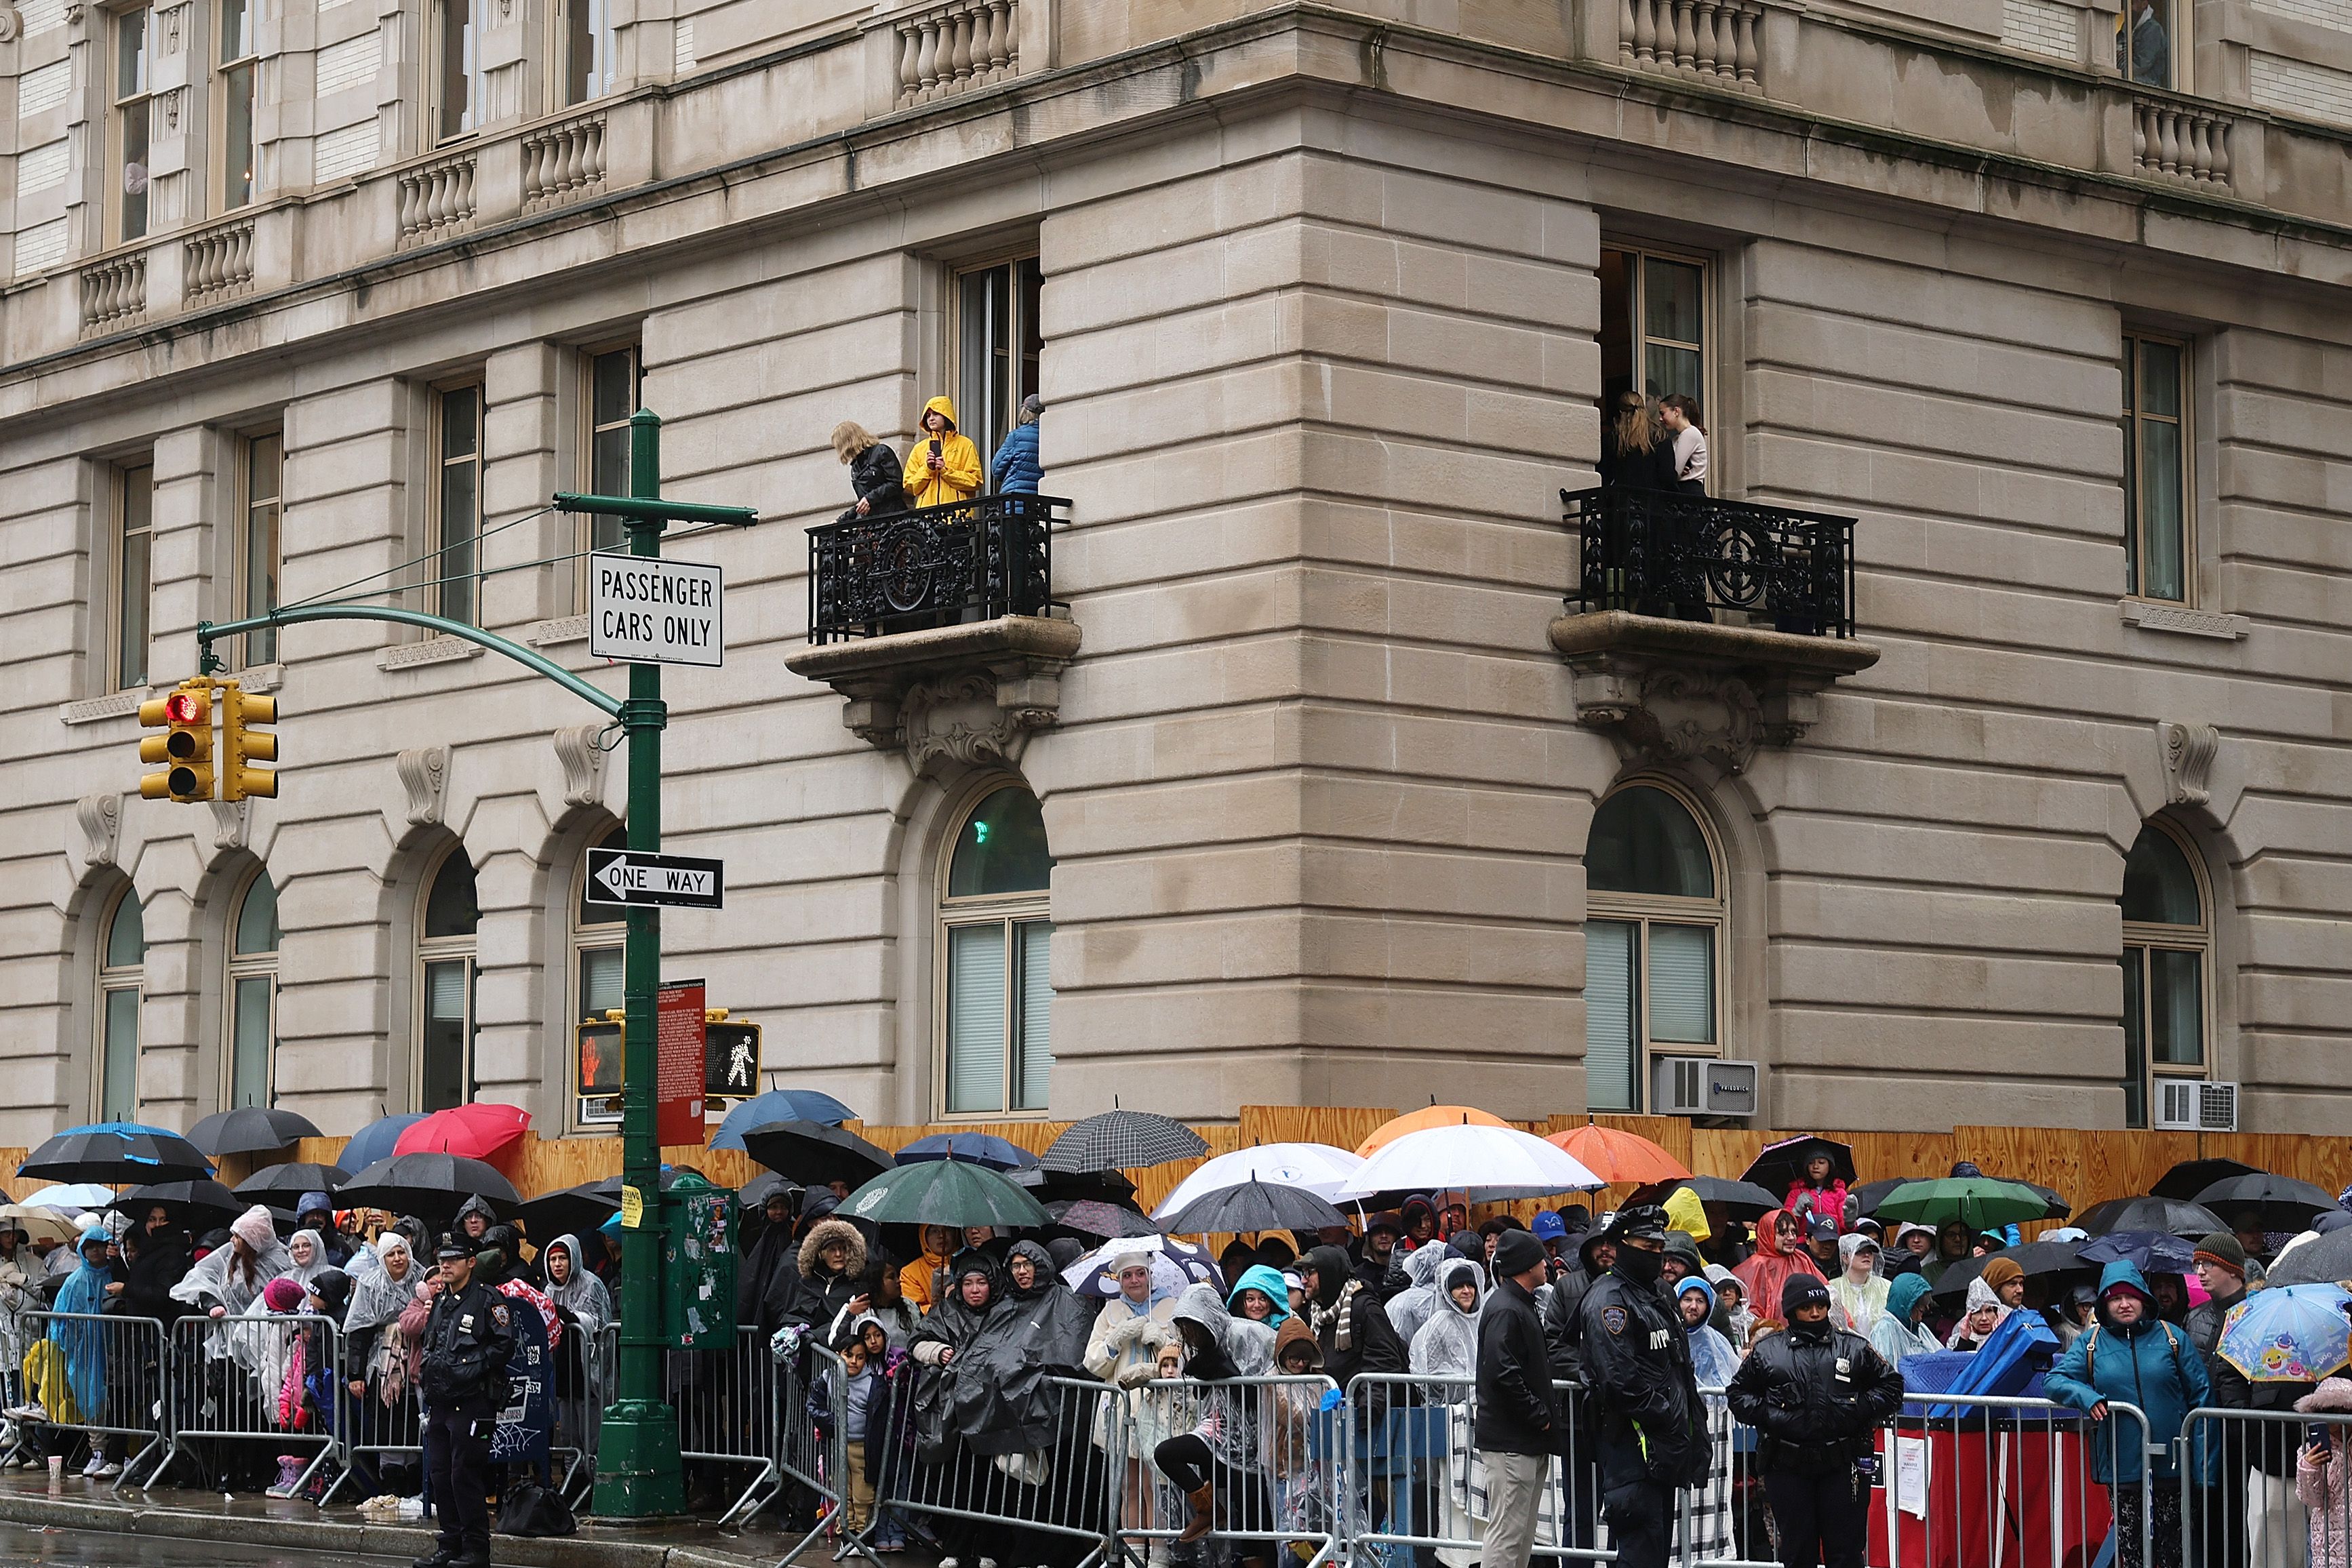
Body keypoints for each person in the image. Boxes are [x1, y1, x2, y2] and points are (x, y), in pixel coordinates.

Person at [2044, 1260, 2214, 1568]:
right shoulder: (2091, 1343)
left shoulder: (2172, 1337)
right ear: (2104, 1304)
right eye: (2114, 1298)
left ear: (2143, 1298)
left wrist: (2204, 1468)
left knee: (2174, 1554)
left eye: (2131, 1296)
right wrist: (2086, 1396)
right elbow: (2054, 1380)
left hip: (2175, 1467)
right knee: (2134, 1555)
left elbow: (2201, 1398)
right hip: (2122, 1468)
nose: (2124, 1304)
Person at [1728, 1273, 1905, 1568]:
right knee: (1798, 1552)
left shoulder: (1854, 1347)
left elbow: (1892, 1386)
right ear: (1791, 1310)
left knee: (1846, 1552)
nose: (1814, 1313)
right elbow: (1737, 1393)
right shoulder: (1768, 1351)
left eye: (1821, 1307)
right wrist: (1770, 1415)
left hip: (1842, 1463)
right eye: (1806, 1308)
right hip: (1787, 1464)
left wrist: (1858, 1407)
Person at [1580, 1206, 1707, 1568]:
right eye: (1645, 1246)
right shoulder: (1609, 1299)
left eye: (1658, 1247)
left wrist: (1688, 1430)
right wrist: (1667, 1417)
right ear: (1622, 1246)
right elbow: (1619, 1380)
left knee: (1656, 1553)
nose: (1654, 1254)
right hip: (1632, 1448)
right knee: (1639, 1555)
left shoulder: (1660, 1294)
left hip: (1663, 1451)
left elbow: (1678, 1368)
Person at [1154, 1281, 1276, 1550]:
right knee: (1166, 1453)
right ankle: (1208, 1509)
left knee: (1256, 1529)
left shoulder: (1248, 1334)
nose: (1191, 1334)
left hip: (1254, 1444)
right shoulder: (1202, 1346)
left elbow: (1259, 1397)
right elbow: (1205, 1397)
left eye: (1194, 1326)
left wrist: (1225, 1370)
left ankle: (1213, 1514)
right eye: (1186, 1328)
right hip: (1217, 1434)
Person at [414, 1241, 513, 1568]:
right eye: (443, 1259)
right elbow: (433, 1343)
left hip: (473, 1400)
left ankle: (476, 1549)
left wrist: (471, 1366)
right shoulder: (441, 1300)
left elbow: (503, 1345)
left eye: (454, 1259)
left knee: (464, 1474)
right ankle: (450, 1544)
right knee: (440, 1474)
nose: (446, 1265)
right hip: (442, 1399)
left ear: (471, 1262)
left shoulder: (487, 1298)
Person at [1468, 1230, 1555, 1568]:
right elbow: (1503, 1373)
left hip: (1522, 1441)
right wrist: (1539, 1414)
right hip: (1511, 1442)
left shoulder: (1517, 1304)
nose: (1546, 1263)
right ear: (1524, 1265)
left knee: (1519, 1536)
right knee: (1507, 1535)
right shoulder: (1507, 1308)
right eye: (1540, 1257)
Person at [541, 1234, 611, 1459]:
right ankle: (573, 1480)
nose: (558, 1264)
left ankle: (594, 1480)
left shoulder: (592, 1284)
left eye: (563, 1258)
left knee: (591, 1433)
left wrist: (569, 1316)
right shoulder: (549, 1290)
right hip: (563, 1371)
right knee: (569, 1435)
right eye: (553, 1260)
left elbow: (598, 1322)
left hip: (586, 1370)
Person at [778, 1215, 868, 1344]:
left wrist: (816, 1335)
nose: (838, 1254)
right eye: (832, 1249)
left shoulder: (856, 1284)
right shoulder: (808, 1283)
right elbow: (796, 1316)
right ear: (821, 1254)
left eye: (843, 1248)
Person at [1733, 1209, 1826, 1331]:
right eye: (1783, 1233)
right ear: (1768, 1234)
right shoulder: (1753, 1267)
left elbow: (1826, 1291)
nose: (1791, 1238)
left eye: (1793, 1232)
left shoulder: (1802, 1259)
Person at [2294, 1376, 2352, 1568]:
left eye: (2342, 1410)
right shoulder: (2309, 1452)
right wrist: (2309, 1467)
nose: (2335, 1417)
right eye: (2327, 1411)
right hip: (2330, 1541)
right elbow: (2311, 1499)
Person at [901, 396, 982, 508]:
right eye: (928, 416)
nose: (931, 419)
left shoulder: (965, 444)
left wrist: (946, 471)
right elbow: (909, 486)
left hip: (956, 516)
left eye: (936, 414)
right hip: (927, 518)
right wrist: (927, 469)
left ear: (946, 415)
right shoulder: (919, 449)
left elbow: (975, 481)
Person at [831, 421, 909, 524]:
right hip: (873, 524)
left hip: (893, 519)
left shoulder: (881, 452)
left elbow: (896, 483)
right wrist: (841, 520)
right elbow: (863, 502)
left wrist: (870, 498)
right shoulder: (855, 467)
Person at [1598, 390, 1677, 491]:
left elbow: (1604, 475)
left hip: (1623, 501)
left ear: (1620, 413)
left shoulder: (1613, 439)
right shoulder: (1659, 438)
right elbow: (1668, 477)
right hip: (1652, 502)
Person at [1871, 1272, 1942, 1369]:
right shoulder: (1884, 1332)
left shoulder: (1919, 1328)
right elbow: (1886, 1374)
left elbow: (1942, 1358)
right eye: (1921, 1308)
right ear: (1907, 1306)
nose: (1924, 1312)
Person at [1829, 1233, 1890, 1340]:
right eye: (1859, 1252)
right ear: (1845, 1257)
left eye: (1870, 1252)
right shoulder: (1833, 1288)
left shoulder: (1886, 1287)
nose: (1866, 1255)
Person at [989, 395, 1042, 495]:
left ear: (1025, 412)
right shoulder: (1050, 438)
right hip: (1039, 502)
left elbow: (996, 469)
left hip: (1015, 498)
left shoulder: (1016, 436)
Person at [899, 1224, 955, 1316]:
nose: (942, 1235)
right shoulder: (910, 1272)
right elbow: (914, 1309)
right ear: (924, 1237)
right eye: (934, 1231)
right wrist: (932, 1307)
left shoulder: (967, 1261)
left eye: (947, 1229)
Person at [1660, 393, 1709, 496]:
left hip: (1690, 493)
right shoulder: (1678, 437)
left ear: (1676, 411)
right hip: (1686, 491)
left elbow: (1674, 472)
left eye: (1663, 413)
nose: (1660, 419)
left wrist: (1675, 472)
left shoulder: (1689, 433)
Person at [2119, 0, 2169, 85]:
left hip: (2148, 84)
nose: (2129, 8)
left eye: (2132, 4)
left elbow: (2141, 65)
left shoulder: (2153, 30)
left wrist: (2121, 63)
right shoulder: (2128, 27)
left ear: (2144, 4)